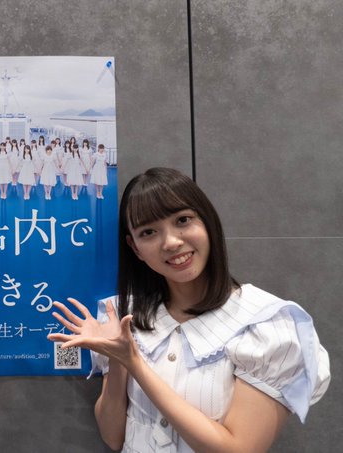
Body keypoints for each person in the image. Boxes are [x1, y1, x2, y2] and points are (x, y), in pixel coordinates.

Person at [47, 167, 330, 453]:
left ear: (207, 221)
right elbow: (113, 437)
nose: (171, 242)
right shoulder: (122, 315)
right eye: (148, 232)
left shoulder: (266, 323)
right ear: (135, 248)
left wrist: (133, 362)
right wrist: (118, 359)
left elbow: (239, 449)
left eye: (183, 220)